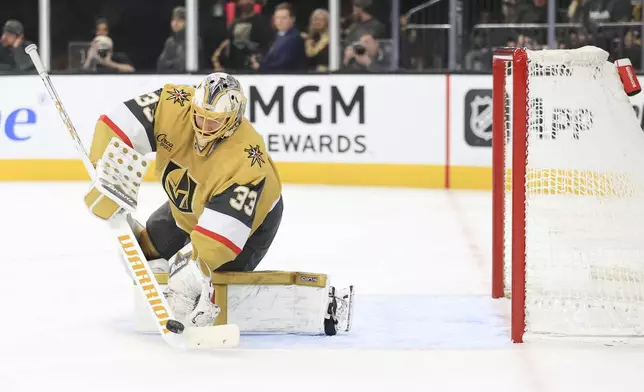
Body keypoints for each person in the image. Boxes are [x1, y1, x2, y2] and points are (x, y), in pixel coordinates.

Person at [83, 72, 353, 335]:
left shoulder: (247, 163)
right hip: (191, 201)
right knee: (146, 252)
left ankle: (305, 305)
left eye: (212, 122)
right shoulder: (174, 103)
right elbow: (115, 124)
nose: (201, 126)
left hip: (250, 224)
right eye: (198, 116)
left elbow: (217, 241)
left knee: (211, 280)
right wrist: (106, 175)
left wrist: (190, 277)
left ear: (233, 120)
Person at [211, 0, 274, 71]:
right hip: (235, 67)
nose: (246, 2)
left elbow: (267, 45)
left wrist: (259, 61)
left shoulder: (262, 22)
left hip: (253, 67)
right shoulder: (234, 23)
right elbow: (229, 44)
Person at [250, 2, 305, 72]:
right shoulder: (279, 35)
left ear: (293, 19)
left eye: (284, 18)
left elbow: (282, 65)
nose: (280, 21)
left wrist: (260, 67)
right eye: (277, 18)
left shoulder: (294, 38)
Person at [157, 6, 203, 72]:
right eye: (173, 20)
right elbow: (160, 64)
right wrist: (172, 64)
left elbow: (182, 65)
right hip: (170, 78)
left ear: (187, 22)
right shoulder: (170, 41)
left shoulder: (194, 40)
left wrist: (169, 63)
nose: (175, 23)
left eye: (179, 20)